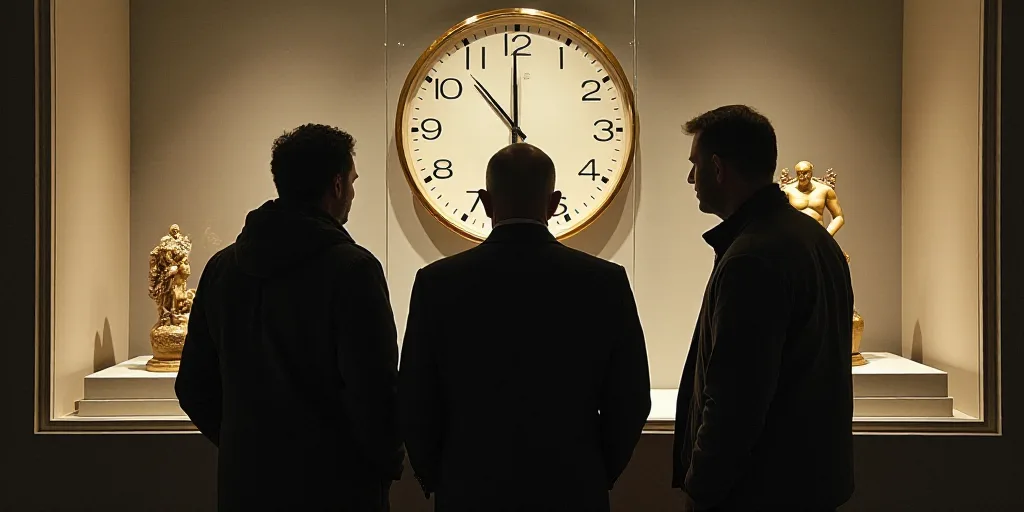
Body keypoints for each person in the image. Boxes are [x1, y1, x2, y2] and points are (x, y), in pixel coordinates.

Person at [399, 143, 651, 511]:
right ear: (554, 203)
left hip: (470, 486)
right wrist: (597, 471)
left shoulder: (437, 283)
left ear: (485, 202)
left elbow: (416, 398)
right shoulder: (604, 282)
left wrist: (439, 475)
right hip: (571, 485)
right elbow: (631, 399)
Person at [175, 123, 403, 511]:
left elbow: (194, 386)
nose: (351, 193)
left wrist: (244, 445)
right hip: (337, 489)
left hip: (246, 485)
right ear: (336, 185)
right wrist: (383, 465)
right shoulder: (353, 270)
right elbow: (373, 392)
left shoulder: (222, 267)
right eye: (352, 181)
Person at [672, 105, 855, 511]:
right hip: (809, 481)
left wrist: (701, 486)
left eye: (695, 164)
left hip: (759, 490)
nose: (690, 178)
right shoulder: (814, 238)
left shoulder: (753, 257)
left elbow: (736, 395)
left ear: (718, 167)